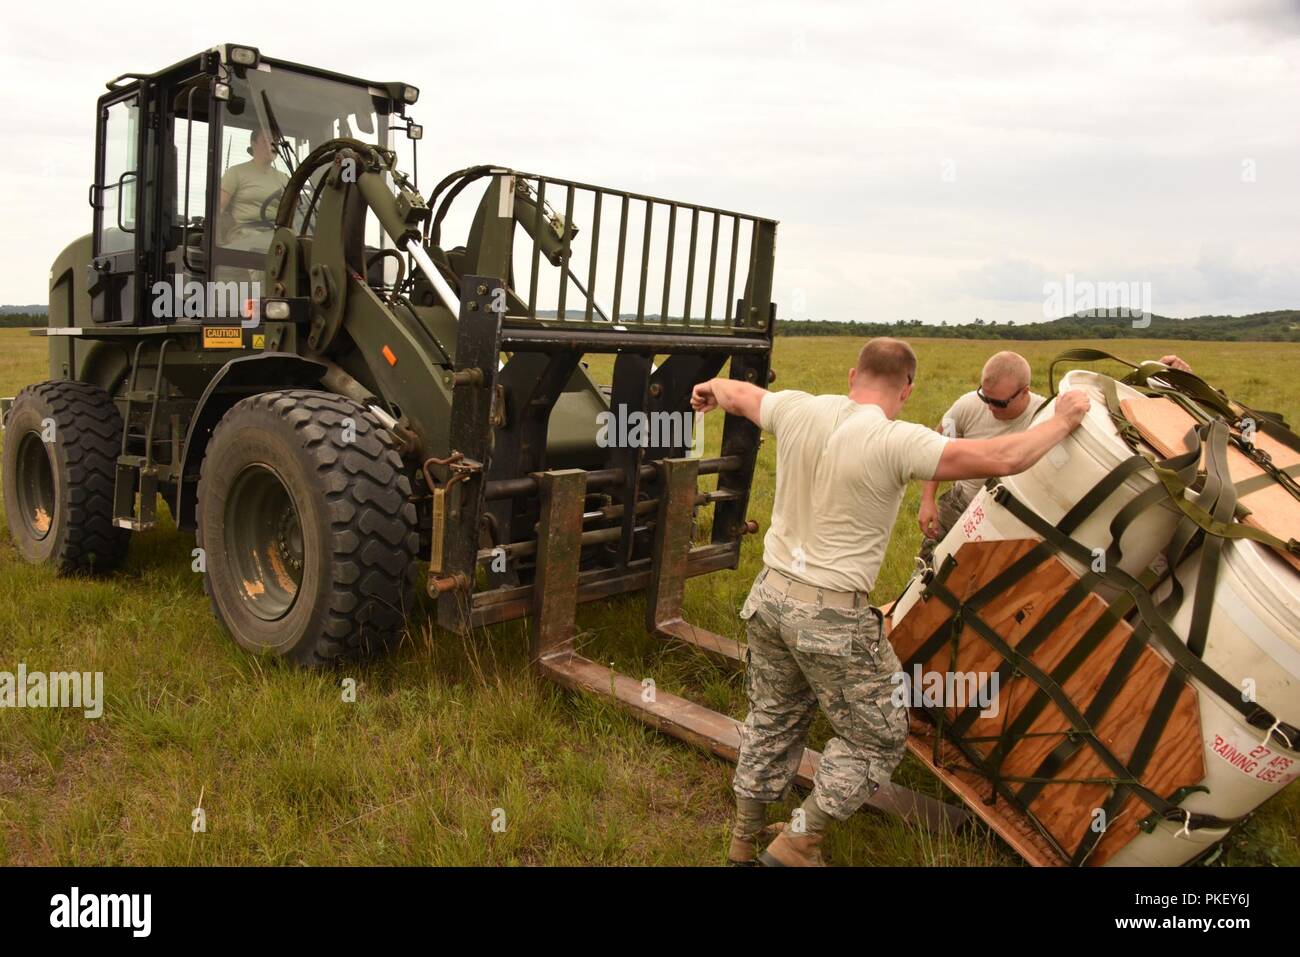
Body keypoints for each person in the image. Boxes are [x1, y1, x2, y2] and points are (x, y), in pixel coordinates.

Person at [689, 337, 1090, 866]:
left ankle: (745, 838)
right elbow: (1005, 456)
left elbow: (741, 395)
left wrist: (709, 389)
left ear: (854, 375)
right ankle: (800, 841)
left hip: (769, 597)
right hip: (830, 612)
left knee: (772, 717)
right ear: (907, 388)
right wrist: (1064, 419)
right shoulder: (897, 439)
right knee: (877, 736)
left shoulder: (797, 408)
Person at [917, 351, 1191, 554]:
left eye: (998, 402)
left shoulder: (1047, 416)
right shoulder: (966, 406)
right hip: (961, 503)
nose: (989, 407)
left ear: (1024, 392)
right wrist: (927, 499)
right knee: (928, 570)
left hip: (1005, 518)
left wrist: (1165, 378)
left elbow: (1109, 417)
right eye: (984, 397)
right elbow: (937, 450)